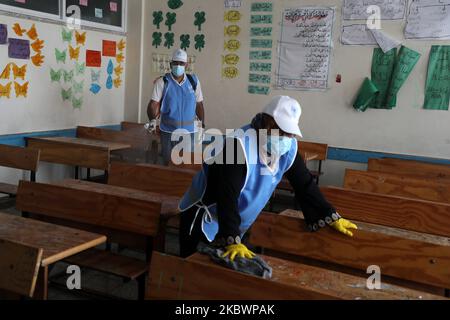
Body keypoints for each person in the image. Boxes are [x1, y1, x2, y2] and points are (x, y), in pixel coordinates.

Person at [178, 96, 357, 260]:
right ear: (267, 125)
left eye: (290, 134)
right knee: (194, 271)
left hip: (231, 222)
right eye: (282, 131)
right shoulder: (238, 145)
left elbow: (304, 184)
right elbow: (227, 195)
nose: (287, 138)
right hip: (205, 218)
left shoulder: (287, 148)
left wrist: (328, 214)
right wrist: (231, 237)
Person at [147, 49, 205, 165]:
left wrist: (202, 125)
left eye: (181, 63)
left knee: (188, 165)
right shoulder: (163, 82)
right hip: (168, 132)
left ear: (186, 65)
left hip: (190, 133)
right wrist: (152, 121)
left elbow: (199, 104)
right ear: (170, 64)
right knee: (168, 163)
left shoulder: (194, 81)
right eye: (176, 63)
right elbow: (152, 104)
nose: (178, 65)